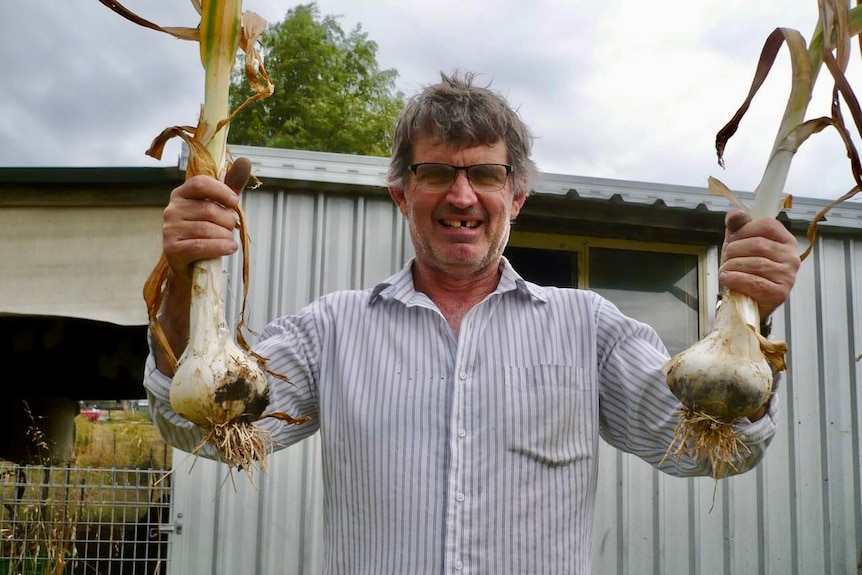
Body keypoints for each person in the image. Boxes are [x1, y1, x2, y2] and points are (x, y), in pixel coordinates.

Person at [144, 71, 801, 574]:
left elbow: (728, 446)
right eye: (436, 172)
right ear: (402, 193)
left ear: (516, 196)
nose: (461, 195)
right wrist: (183, 275)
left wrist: (749, 315)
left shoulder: (589, 329)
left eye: (485, 173)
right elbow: (196, 424)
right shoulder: (334, 329)